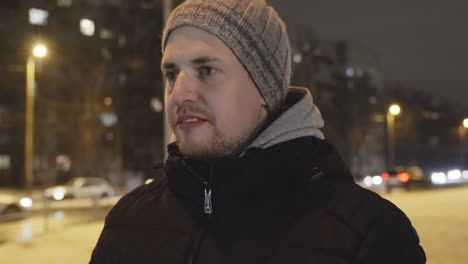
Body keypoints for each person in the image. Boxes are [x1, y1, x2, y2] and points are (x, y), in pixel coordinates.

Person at [91, 0, 426, 263]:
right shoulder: (130, 221)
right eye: (171, 73)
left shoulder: (366, 236)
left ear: (265, 90)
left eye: (206, 70)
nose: (179, 94)